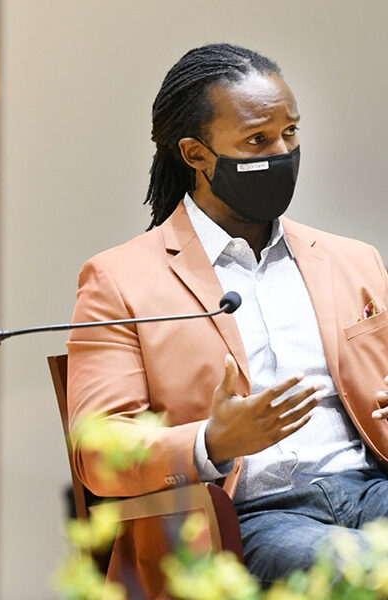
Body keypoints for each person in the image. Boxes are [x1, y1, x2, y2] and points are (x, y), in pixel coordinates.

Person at [66, 43, 388, 596]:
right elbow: (99, 453)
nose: (282, 152)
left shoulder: (353, 260)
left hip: (369, 487)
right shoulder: (119, 280)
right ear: (197, 155)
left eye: (290, 133)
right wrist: (211, 440)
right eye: (257, 141)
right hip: (248, 520)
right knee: (372, 569)